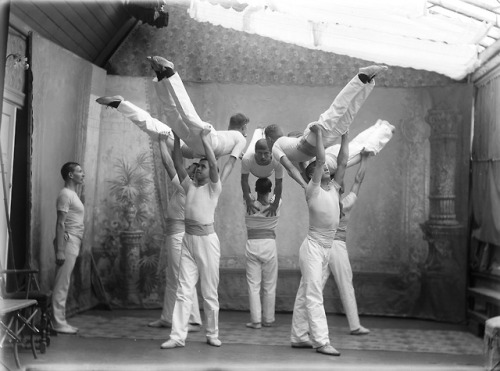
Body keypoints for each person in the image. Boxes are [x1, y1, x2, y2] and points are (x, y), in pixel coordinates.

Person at [264, 65, 387, 188]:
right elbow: (301, 167)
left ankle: (361, 77)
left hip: (312, 136)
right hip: (321, 143)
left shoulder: (276, 148)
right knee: (349, 114)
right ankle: (369, 83)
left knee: (338, 109)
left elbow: (291, 169)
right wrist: (310, 184)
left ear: (269, 139)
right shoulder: (294, 156)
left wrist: (304, 186)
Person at [161, 127, 223, 349]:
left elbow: (214, 164)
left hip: (207, 242)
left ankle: (212, 333)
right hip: (188, 240)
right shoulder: (189, 186)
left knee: (209, 291)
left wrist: (206, 140)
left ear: (210, 171)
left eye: (202, 167)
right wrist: (177, 138)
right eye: (198, 167)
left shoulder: (214, 188)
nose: (198, 170)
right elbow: (178, 164)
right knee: (183, 289)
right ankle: (177, 336)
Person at [290, 125, 348, 356]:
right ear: (311, 174)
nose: (323, 167)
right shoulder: (312, 190)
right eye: (317, 167)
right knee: (314, 294)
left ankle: (298, 335)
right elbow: (322, 159)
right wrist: (321, 135)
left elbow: (342, 162)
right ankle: (322, 341)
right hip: (313, 247)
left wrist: (345, 135)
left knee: (306, 290)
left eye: (323, 167)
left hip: (326, 248)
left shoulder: (334, 188)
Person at [147, 55, 249, 183]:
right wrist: (220, 183)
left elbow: (228, 159)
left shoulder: (234, 138)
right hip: (207, 139)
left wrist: (240, 155)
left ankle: (161, 74)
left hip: (200, 145)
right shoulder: (240, 139)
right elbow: (230, 164)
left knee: (175, 114)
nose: (246, 133)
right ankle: (168, 71)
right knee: (180, 113)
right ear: (244, 127)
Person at [147, 134, 202, 332]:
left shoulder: (186, 187)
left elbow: (169, 163)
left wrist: (162, 141)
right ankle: (167, 317)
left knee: (182, 277)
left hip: (179, 237)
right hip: (175, 235)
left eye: (190, 169)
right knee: (173, 278)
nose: (186, 168)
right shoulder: (186, 187)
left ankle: (193, 319)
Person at [327, 149, 371, 336]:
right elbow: (358, 180)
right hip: (336, 246)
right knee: (346, 285)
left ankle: (304, 327)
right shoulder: (347, 203)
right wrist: (365, 159)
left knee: (313, 287)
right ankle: (354, 325)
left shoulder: (324, 200)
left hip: (321, 245)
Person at [52, 162, 85, 334]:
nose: (83, 174)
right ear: (71, 175)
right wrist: (60, 250)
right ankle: (58, 322)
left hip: (73, 240)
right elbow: (60, 223)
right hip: (67, 240)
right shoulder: (65, 194)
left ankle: (60, 320)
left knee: (64, 282)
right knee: (61, 283)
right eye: (79, 171)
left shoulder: (72, 194)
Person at [244, 177, 281, 329]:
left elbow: (244, 186)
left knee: (253, 285)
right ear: (270, 190)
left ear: (256, 189)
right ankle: (268, 319)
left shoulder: (248, 204)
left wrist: (245, 170)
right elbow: (280, 189)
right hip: (269, 245)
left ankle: (256, 321)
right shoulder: (276, 205)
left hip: (252, 244)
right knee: (269, 285)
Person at [241, 128, 284, 216]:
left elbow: (279, 184)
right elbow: (244, 181)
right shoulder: (247, 158)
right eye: (259, 153)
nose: (263, 156)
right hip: (253, 168)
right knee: (255, 139)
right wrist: (248, 200)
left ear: (271, 152)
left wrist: (275, 204)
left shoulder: (277, 160)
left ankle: (263, 131)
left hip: (269, 171)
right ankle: (258, 130)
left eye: (266, 153)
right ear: (255, 152)